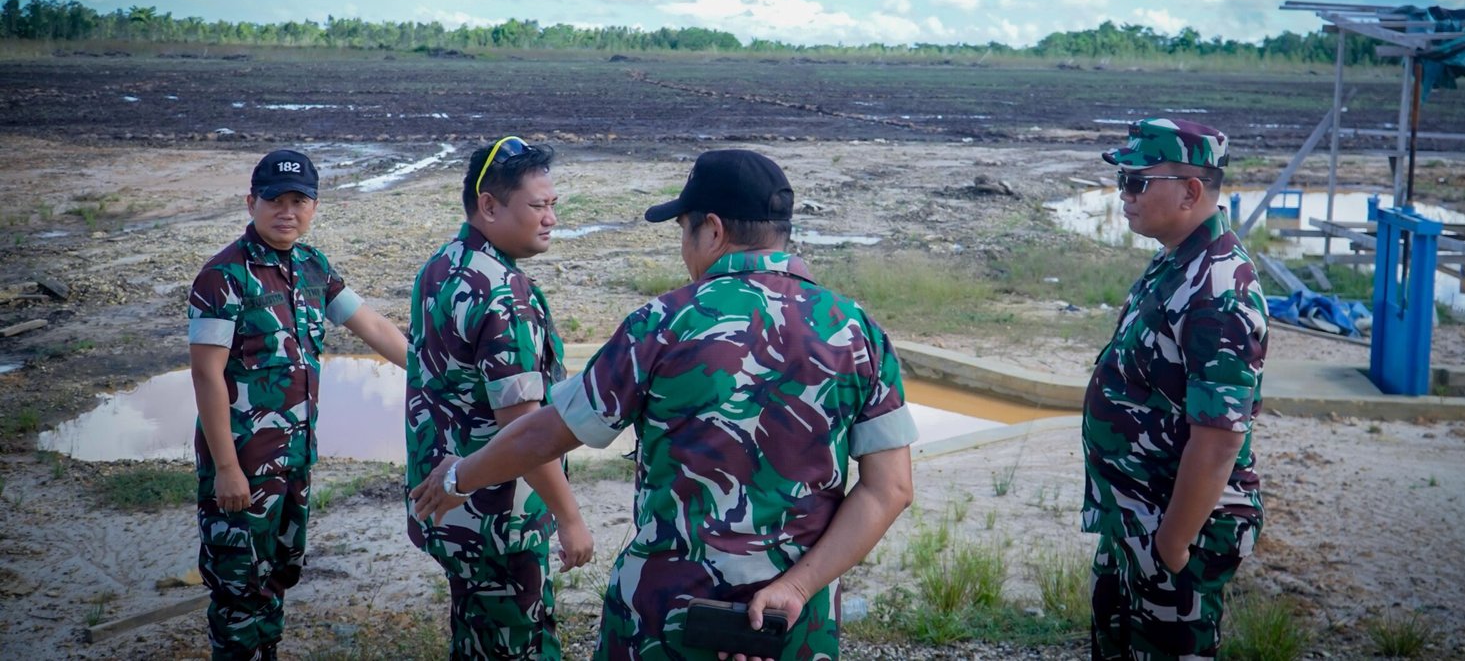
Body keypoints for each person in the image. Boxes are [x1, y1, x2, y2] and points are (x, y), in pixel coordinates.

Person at [410, 148, 917, 661]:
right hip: (792, 627)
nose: (683, 248)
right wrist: (797, 588)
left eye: (684, 231)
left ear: (713, 231)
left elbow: (548, 431)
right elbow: (890, 488)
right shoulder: (858, 331)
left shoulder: (661, 324)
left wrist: (460, 476)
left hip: (662, 620)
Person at [187, 148, 409, 661]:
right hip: (242, 464)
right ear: (251, 202)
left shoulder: (312, 267)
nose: (287, 211)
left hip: (294, 462)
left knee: (280, 572)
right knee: (238, 586)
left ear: (313, 207)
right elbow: (205, 374)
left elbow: (370, 325)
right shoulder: (223, 276)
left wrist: (431, 373)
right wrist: (226, 468)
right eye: (275, 199)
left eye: (299, 201)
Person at [1080, 119, 1270, 660]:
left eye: (1138, 181)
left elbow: (1219, 439)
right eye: (1122, 179)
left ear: (1190, 191)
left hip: (1173, 526)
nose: (1124, 194)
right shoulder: (1179, 260)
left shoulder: (1218, 290)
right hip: (1138, 518)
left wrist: (1173, 543)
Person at [404, 137, 594, 659]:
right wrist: (570, 518)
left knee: (475, 634)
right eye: (538, 206)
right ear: (489, 205)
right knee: (521, 645)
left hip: (446, 505)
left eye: (553, 204)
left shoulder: (440, 266)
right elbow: (524, 431)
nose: (551, 218)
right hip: (496, 516)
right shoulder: (505, 294)